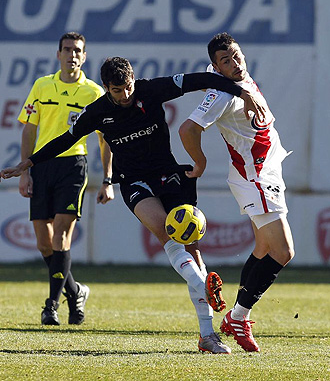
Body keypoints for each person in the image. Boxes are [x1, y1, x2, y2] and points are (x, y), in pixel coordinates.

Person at [1, 56, 265, 352]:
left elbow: (199, 80)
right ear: (106, 88)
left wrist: (243, 92)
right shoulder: (98, 112)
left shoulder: (150, 90)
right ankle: (204, 291)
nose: (125, 95)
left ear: (133, 80)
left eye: (127, 87)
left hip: (170, 175)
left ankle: (206, 334)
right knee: (168, 235)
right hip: (134, 182)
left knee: (192, 250)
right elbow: (65, 139)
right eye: (117, 90)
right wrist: (28, 163)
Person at [179, 33, 295, 352]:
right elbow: (188, 129)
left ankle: (236, 316)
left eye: (236, 55)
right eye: (226, 61)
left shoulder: (231, 76)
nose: (235, 63)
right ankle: (237, 318)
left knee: (263, 247)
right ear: (218, 68)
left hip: (266, 170)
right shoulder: (223, 94)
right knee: (284, 252)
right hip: (255, 176)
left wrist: (228, 79)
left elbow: (209, 75)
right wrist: (199, 163)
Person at [16, 32, 114, 326]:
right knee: (44, 244)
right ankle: (75, 292)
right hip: (42, 166)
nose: (72, 54)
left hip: (73, 166)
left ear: (84, 57)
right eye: (67, 49)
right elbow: (29, 130)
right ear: (58, 54)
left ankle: (51, 306)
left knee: (61, 235)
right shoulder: (42, 85)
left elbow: (105, 139)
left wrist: (108, 179)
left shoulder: (94, 93)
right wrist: (25, 172)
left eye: (78, 51)